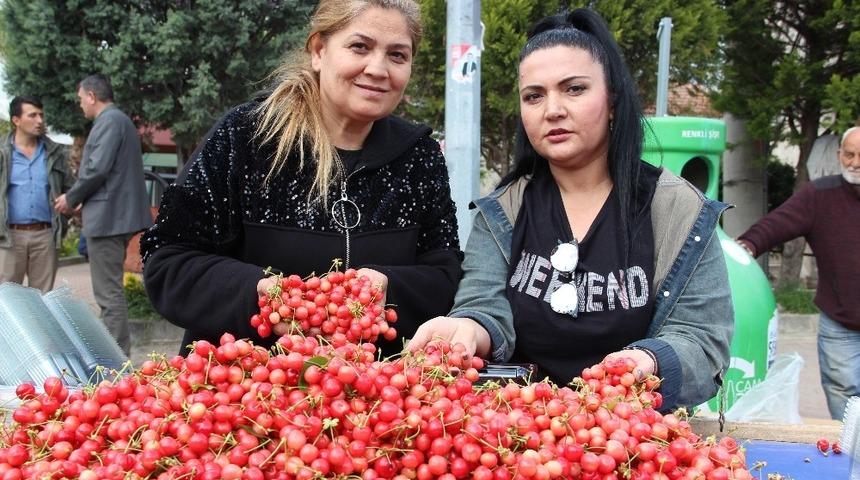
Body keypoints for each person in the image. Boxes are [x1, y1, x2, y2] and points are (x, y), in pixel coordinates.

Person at [409, 9, 733, 410]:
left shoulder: (678, 209)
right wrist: (467, 327)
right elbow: (483, 304)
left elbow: (703, 340)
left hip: (635, 441)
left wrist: (647, 362)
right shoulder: (502, 211)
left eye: (574, 89)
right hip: (518, 440)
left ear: (612, 100)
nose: (553, 110)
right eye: (534, 96)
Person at [140, 0, 461, 358]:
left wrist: (390, 290)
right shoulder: (246, 137)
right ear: (319, 51)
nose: (378, 68)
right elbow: (167, 261)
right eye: (360, 46)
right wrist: (259, 296)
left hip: (376, 398)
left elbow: (445, 275)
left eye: (398, 55)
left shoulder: (419, 157)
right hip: (245, 392)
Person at [736, 126, 860, 420]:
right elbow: (778, 222)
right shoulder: (820, 196)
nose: (855, 163)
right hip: (840, 323)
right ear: (838, 155)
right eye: (849, 155)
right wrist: (747, 245)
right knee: (844, 394)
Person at [54, 75, 153, 356]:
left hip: (109, 220)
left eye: (80, 98)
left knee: (108, 295)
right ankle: (115, 357)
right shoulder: (119, 121)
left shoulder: (109, 121)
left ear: (91, 96)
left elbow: (97, 168)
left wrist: (71, 198)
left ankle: (114, 360)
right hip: (116, 217)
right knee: (110, 293)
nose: (80, 105)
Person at [0, 96, 73, 292]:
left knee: (42, 300)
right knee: (7, 299)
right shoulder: (2, 152)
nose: (40, 121)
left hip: (45, 235)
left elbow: (69, 190)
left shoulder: (56, 152)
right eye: (32, 115)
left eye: (41, 115)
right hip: (9, 236)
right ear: (16, 120)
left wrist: (65, 217)